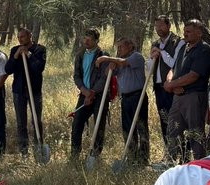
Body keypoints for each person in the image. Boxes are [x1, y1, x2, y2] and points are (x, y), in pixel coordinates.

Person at [163, 20, 210, 162]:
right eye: (184, 31)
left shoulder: (204, 50)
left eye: (189, 31)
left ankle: (200, 164)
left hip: (194, 96)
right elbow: (173, 69)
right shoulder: (183, 48)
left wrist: (171, 85)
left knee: (195, 132)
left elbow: (193, 75)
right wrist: (169, 82)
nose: (185, 34)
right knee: (173, 129)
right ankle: (170, 162)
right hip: (178, 97)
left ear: (199, 33)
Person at [97, 38, 149, 166]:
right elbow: (108, 73)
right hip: (125, 98)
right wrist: (110, 66)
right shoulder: (118, 61)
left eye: (121, 46)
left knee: (141, 127)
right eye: (117, 47)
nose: (119, 49)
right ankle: (131, 157)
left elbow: (124, 62)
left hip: (138, 96)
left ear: (130, 46)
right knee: (127, 127)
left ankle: (143, 159)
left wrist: (106, 58)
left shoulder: (136, 57)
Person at [5, 28, 47, 156]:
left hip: (34, 90)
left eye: (22, 36)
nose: (20, 39)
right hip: (19, 91)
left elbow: (38, 68)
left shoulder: (39, 49)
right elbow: (8, 69)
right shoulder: (14, 50)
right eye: (18, 37)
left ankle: (38, 148)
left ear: (30, 36)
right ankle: (24, 151)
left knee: (36, 120)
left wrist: (28, 54)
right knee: (21, 122)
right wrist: (16, 56)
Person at [70, 28, 109, 160]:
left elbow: (104, 78)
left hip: (99, 95)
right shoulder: (80, 55)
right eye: (85, 38)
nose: (86, 41)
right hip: (84, 94)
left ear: (96, 40)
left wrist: (92, 92)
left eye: (89, 39)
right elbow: (76, 76)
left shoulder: (103, 55)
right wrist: (84, 91)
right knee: (77, 122)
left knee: (98, 125)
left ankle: (95, 155)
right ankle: (74, 155)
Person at [149, 16, 182, 160]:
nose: (159, 29)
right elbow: (150, 68)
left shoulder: (178, 42)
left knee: (174, 121)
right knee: (164, 120)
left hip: (171, 87)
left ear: (169, 26)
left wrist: (162, 53)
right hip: (158, 88)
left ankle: (179, 153)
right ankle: (168, 154)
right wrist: (152, 57)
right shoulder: (155, 43)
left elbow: (175, 64)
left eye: (161, 26)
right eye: (156, 26)